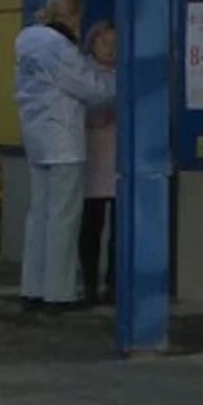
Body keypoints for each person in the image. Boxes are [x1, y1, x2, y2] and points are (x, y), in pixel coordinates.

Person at [12, 0, 114, 312]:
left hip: (36, 138)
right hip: (65, 140)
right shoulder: (61, 49)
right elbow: (93, 89)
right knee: (64, 218)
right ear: (68, 15)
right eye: (77, 17)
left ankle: (33, 288)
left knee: (39, 215)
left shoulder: (26, 45)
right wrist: (123, 83)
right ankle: (59, 293)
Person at [78, 21, 117, 307]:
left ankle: (115, 284)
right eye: (105, 44)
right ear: (93, 44)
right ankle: (89, 282)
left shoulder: (126, 72)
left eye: (115, 44)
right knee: (91, 225)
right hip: (92, 153)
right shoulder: (83, 72)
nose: (111, 50)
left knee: (119, 227)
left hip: (118, 157)